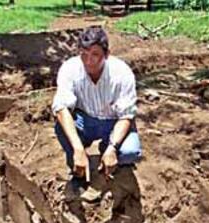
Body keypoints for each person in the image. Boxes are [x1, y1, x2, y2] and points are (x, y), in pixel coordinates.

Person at [52, 26, 142, 185]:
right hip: (85, 120)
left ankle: (109, 155)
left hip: (113, 122)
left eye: (95, 55)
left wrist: (112, 148)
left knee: (130, 152)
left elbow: (126, 115)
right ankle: (78, 170)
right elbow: (61, 108)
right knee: (62, 128)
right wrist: (78, 149)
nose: (88, 61)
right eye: (84, 54)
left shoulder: (122, 73)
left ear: (106, 54)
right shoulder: (70, 69)